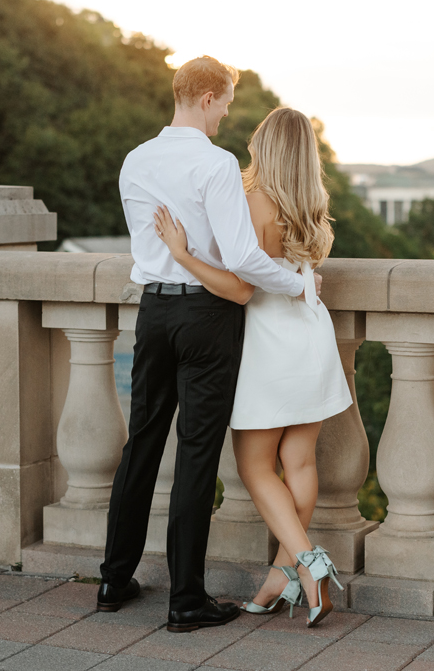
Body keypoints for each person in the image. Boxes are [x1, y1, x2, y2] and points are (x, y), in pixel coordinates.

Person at [100, 56, 314, 634]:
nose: (225, 114)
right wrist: (297, 286)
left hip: (154, 311)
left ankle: (113, 580)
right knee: (195, 453)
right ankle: (185, 601)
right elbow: (244, 259)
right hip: (206, 314)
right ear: (206, 96)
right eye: (224, 103)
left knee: (142, 443)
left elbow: (147, 244)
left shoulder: (135, 160)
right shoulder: (216, 164)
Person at [153, 106, 352, 628]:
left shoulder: (249, 201)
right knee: (300, 463)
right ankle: (277, 581)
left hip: (268, 345)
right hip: (311, 335)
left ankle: (309, 568)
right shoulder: (312, 205)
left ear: (265, 149)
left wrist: (183, 254)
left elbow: (238, 286)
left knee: (255, 466)